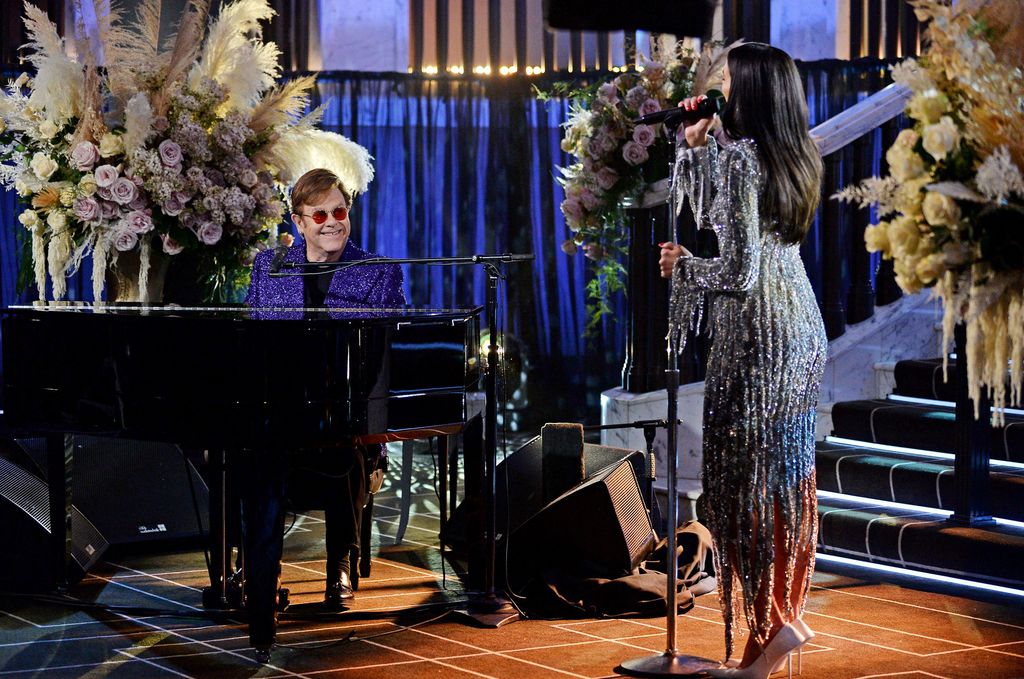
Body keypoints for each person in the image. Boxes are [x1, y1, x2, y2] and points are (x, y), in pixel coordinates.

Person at [659, 43, 826, 679]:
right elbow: (733, 224)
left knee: (740, 487)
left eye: (726, 80)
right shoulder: (789, 151)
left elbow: (735, 264)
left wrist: (684, 267)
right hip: (797, 322)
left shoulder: (740, 161)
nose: (715, 86)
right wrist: (697, 146)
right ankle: (780, 621)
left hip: (756, 328)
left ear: (750, 91)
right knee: (782, 481)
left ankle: (768, 633)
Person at [243, 169, 405, 651]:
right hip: (281, 409)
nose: (333, 222)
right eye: (321, 214)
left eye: (341, 211)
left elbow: (386, 349)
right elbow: (252, 337)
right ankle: (260, 580)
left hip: (348, 412)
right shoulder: (268, 266)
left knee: (346, 450)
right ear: (299, 221)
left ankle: (338, 564)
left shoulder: (377, 268)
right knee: (251, 456)